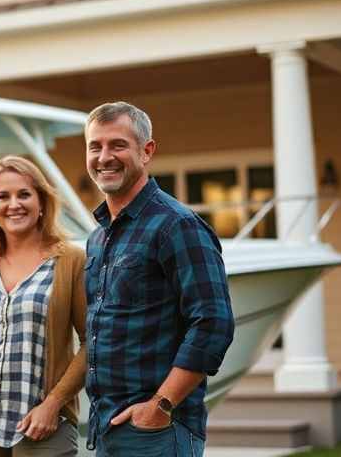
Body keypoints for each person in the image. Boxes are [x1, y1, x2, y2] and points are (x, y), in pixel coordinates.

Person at [83, 102, 235, 456]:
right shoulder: (99, 237)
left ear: (146, 150)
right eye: (95, 146)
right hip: (108, 427)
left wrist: (160, 407)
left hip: (157, 432)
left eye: (117, 144)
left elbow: (213, 322)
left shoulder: (176, 225)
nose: (104, 156)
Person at [0, 155, 87, 456]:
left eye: (24, 194)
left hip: (43, 425)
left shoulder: (70, 261)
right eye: (3, 197)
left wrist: (52, 405)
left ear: (41, 202)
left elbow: (94, 343)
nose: (14, 204)